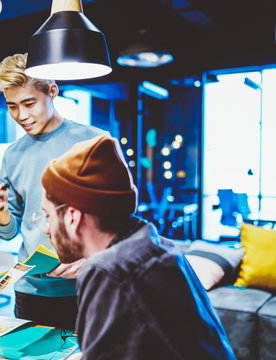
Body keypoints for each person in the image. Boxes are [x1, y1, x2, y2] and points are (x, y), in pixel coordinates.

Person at [39, 135, 236, 359]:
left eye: (48, 216)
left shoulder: (108, 272)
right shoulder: (158, 246)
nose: (46, 229)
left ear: (73, 217)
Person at [0, 53, 108, 329]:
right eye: (12, 106)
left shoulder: (96, 141)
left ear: (53, 92)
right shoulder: (12, 155)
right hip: (31, 291)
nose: (21, 115)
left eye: (29, 103)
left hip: (89, 287)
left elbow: (119, 220)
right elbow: (9, 231)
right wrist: (2, 210)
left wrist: (93, 257)